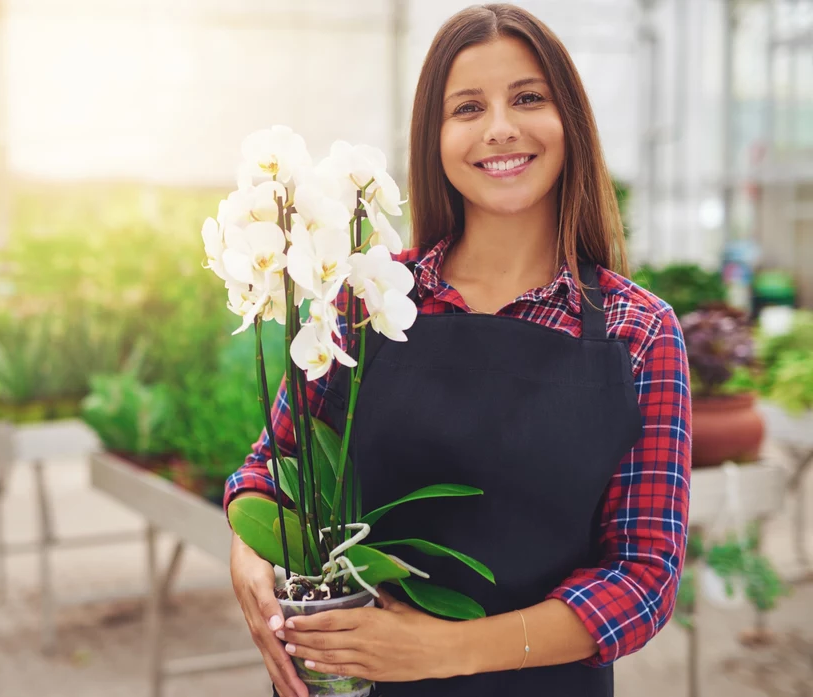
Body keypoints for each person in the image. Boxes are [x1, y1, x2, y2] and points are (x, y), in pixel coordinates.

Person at [224, 4, 692, 697]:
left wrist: (443, 649)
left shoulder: (639, 331)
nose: (500, 127)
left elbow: (642, 578)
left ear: (570, 121)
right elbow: (273, 464)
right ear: (435, 137)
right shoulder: (363, 299)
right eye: (468, 107)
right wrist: (249, 560)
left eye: (527, 98)